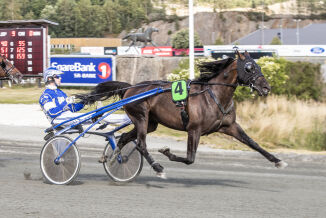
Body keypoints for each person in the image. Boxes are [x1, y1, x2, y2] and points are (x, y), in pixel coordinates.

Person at [39, 67, 130, 126]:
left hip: (68, 116)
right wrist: (66, 102)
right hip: (59, 119)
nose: (60, 78)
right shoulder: (46, 96)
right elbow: (52, 112)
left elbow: (72, 108)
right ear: (49, 78)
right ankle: (128, 119)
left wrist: (84, 102)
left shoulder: (60, 92)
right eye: (57, 76)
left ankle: (127, 119)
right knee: (99, 117)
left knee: (98, 116)